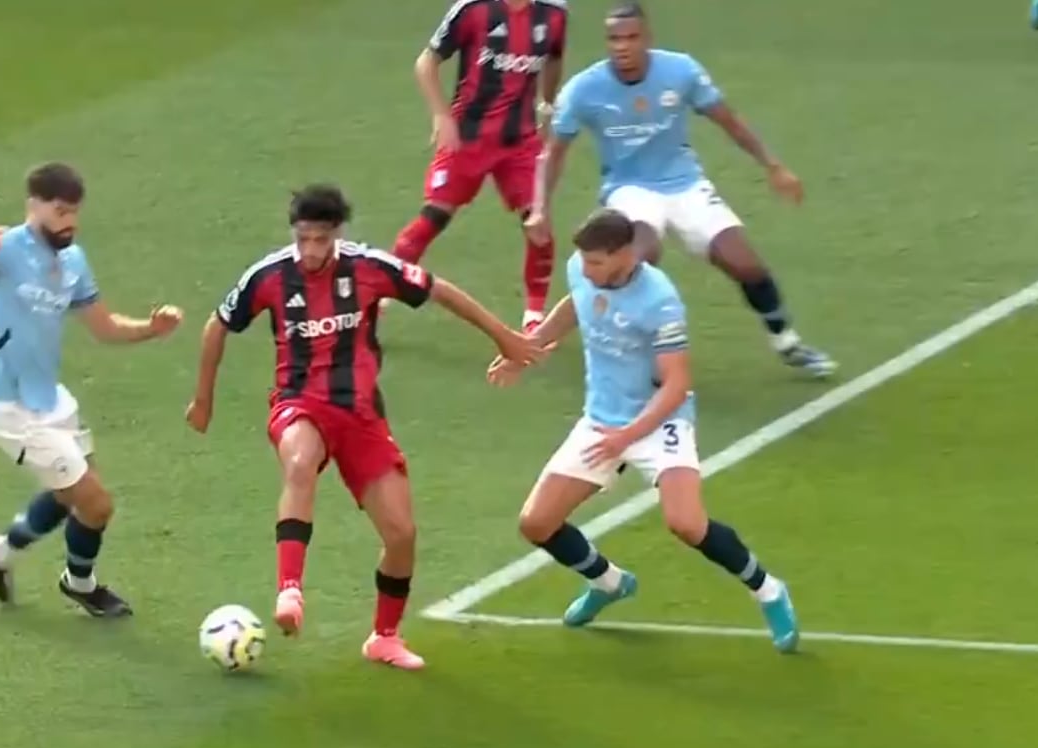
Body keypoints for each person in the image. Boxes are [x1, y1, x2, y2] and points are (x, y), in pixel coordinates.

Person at [186, 183, 542, 670]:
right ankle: (290, 589)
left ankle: (384, 637)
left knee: (401, 534)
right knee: (299, 460)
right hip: (298, 403)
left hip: (361, 416)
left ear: (337, 234)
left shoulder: (370, 268)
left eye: (320, 239)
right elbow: (217, 325)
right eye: (303, 238)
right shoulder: (268, 276)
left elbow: (440, 291)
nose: (311, 250)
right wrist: (202, 400)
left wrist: (504, 337)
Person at [490, 208, 799, 652]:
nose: (587, 269)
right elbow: (574, 303)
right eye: (586, 261)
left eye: (597, 262)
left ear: (625, 255)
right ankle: (610, 583)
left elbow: (676, 386)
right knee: (537, 523)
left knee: (686, 523)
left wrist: (627, 437)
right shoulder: (584, 270)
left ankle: (768, 590)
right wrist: (528, 348)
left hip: (658, 421)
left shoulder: (660, 301)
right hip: (601, 419)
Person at [527, 2, 836, 379]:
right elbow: (552, 153)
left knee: (745, 263)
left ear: (647, 39)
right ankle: (629, 353)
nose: (622, 46)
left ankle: (787, 342)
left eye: (631, 37)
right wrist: (540, 208)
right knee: (638, 256)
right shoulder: (585, 89)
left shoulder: (680, 70)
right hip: (629, 189)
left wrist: (773, 166)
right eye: (613, 39)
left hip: (685, 183)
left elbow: (730, 121)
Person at [0, 162, 183, 618]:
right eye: (60, 211)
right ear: (34, 206)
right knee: (95, 503)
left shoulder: (73, 261)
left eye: (75, 212)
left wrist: (151, 328)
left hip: (51, 401)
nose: (70, 221)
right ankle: (79, 584)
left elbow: (104, 327)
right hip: (9, 408)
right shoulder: (4, 248)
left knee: (74, 494)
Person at [392, 0, 571, 331]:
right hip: (467, 135)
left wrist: (546, 105)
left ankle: (534, 316)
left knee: (538, 220)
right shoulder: (473, 9)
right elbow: (426, 61)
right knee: (434, 216)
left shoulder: (554, 14)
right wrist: (441, 114)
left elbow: (554, 57)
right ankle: (380, 293)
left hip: (519, 140)